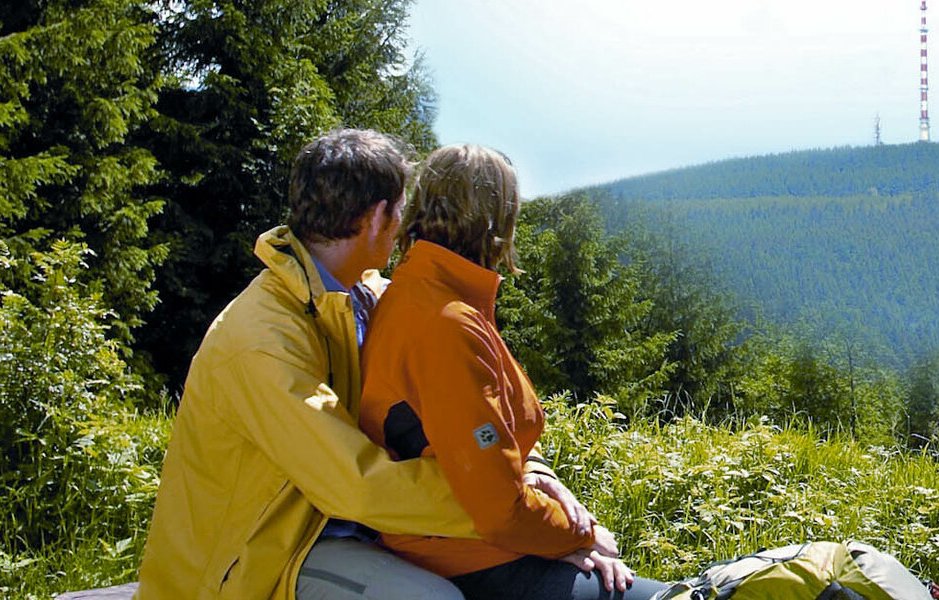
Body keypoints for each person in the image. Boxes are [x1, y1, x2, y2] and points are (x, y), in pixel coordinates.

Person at [137, 129, 475, 600]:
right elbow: (357, 486)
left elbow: (471, 391)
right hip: (256, 563)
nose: (403, 227)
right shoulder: (261, 339)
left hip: (334, 529)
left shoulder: (364, 296)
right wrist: (498, 507)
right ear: (378, 216)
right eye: (400, 211)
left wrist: (527, 487)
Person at [357, 144, 668, 600]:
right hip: (466, 556)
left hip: (479, 541)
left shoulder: (435, 293)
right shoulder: (445, 323)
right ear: (498, 224)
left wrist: (541, 476)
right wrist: (578, 538)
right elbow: (498, 508)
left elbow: (485, 446)